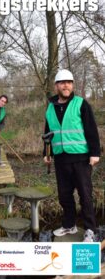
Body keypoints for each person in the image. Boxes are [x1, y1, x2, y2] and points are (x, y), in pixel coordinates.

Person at [43, 69, 100, 242]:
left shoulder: (81, 104)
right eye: (62, 82)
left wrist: (95, 153)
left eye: (69, 82)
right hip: (61, 159)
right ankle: (69, 225)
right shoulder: (50, 108)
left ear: (72, 85)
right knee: (64, 195)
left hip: (81, 158)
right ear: (56, 86)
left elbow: (91, 129)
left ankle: (90, 229)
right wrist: (46, 153)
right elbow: (48, 133)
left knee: (85, 194)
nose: (66, 85)